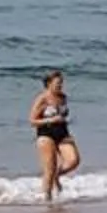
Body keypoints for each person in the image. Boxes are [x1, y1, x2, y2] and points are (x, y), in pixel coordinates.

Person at [29, 71, 80, 201]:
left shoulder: (63, 97)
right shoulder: (42, 99)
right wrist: (51, 120)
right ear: (49, 84)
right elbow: (32, 121)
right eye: (57, 83)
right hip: (46, 133)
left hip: (62, 132)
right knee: (49, 168)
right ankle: (47, 198)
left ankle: (57, 176)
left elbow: (62, 114)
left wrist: (64, 119)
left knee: (74, 160)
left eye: (61, 83)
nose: (60, 86)